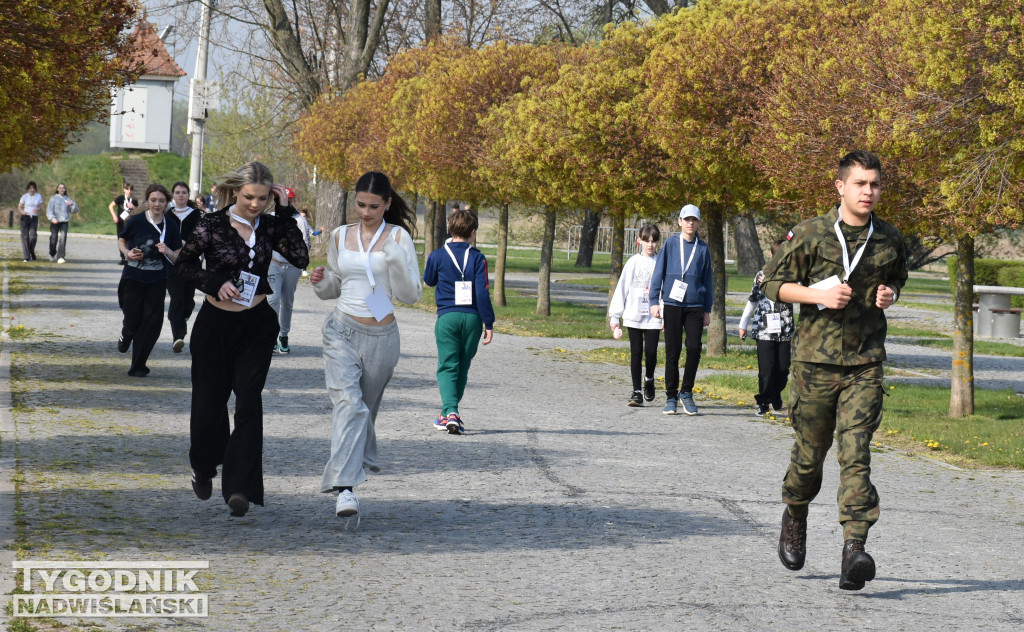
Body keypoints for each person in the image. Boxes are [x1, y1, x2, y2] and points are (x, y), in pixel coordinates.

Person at [761, 150, 907, 591]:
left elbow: (898, 278)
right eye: (861, 184)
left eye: (875, 184)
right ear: (840, 186)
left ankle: (854, 550)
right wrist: (815, 297)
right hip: (813, 365)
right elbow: (769, 284)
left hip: (864, 363)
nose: (869, 192)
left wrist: (889, 295)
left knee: (856, 453)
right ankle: (795, 512)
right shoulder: (810, 233)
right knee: (810, 456)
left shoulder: (890, 239)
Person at [175, 162, 308, 518]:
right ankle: (203, 467)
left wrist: (284, 210)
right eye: (250, 197)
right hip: (215, 325)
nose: (255, 204)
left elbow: (300, 256)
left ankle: (239, 487)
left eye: (263, 198)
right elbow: (183, 266)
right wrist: (214, 281)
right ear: (236, 191)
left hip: (257, 325)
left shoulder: (274, 224)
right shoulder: (211, 224)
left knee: (249, 402)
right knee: (208, 405)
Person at [310, 171, 421, 519]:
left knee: (364, 411)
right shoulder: (342, 236)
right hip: (341, 329)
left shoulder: (398, 237)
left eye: (374, 206)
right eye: (360, 204)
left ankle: (362, 456)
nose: (366, 212)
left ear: (388, 204)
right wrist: (322, 281)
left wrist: (395, 260)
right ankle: (345, 490)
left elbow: (411, 295)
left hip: (382, 337)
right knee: (349, 405)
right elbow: (335, 284)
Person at [422, 208, 494, 434]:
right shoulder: (478, 257)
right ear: (473, 233)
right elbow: (482, 293)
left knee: (447, 365)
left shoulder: (436, 255)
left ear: (450, 229)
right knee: (462, 366)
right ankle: (449, 412)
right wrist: (489, 323)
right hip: (472, 318)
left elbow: (429, 280)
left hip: (447, 317)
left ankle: (450, 412)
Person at [649, 204, 712, 415]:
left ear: (699, 223)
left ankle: (686, 392)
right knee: (672, 351)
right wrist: (654, 301)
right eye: (687, 219)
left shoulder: (702, 248)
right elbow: (659, 273)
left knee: (694, 348)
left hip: (695, 305)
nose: (690, 223)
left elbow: (708, 280)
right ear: (680, 221)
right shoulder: (670, 244)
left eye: (694, 220)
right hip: (673, 304)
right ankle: (670, 396)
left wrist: (708, 309)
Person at [117, 183, 182, 377]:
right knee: (133, 319)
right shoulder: (137, 220)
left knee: (152, 322)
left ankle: (138, 365)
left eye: (161, 201)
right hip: (133, 277)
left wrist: (168, 251)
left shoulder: (171, 225)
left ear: (167, 203)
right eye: (153, 200)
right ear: (147, 200)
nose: (157, 204)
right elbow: (122, 239)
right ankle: (126, 333)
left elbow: (178, 254)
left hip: (157, 279)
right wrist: (127, 252)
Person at [608, 224, 663, 407]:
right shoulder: (633, 262)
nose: (650, 245)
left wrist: (664, 314)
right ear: (638, 240)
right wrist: (615, 317)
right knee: (636, 353)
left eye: (654, 241)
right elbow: (622, 288)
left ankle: (649, 379)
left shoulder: (661, 262)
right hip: (634, 315)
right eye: (646, 241)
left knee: (651, 353)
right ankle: (636, 391)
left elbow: (665, 289)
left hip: (654, 316)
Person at [738, 238, 794, 416]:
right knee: (767, 369)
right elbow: (752, 301)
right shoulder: (761, 275)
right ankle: (763, 402)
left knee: (783, 368)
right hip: (764, 330)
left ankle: (775, 394)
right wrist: (743, 324)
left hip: (784, 330)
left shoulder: (792, 276)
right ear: (771, 256)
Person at [267, 187, 312, 354]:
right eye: (281, 199)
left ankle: (284, 335)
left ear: (293, 201)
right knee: (273, 298)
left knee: (287, 301)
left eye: (290, 199)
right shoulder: (271, 218)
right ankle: (271, 335)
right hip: (274, 263)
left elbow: (306, 243)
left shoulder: (299, 220)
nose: (286, 202)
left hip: (292, 266)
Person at [165, 182, 203, 353]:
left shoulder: (197, 215)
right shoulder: (167, 215)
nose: (181, 195)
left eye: (184, 192)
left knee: (188, 300)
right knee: (177, 297)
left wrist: (187, 245)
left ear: (189, 195)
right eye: (177, 192)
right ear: (173, 195)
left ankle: (182, 317)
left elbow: (202, 237)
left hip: (192, 263)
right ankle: (178, 335)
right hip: (171, 263)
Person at [45, 183, 79, 263]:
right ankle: (52, 253)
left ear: (65, 190)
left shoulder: (67, 199)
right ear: (57, 189)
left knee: (63, 238)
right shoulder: (53, 198)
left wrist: (72, 205)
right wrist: (52, 218)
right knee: (54, 238)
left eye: (63, 188)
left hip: (64, 221)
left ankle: (61, 256)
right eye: (60, 188)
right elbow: (49, 210)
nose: (62, 189)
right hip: (55, 221)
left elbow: (75, 210)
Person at [109, 183, 137, 265]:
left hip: (130, 223)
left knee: (130, 239)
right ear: (124, 190)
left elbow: (138, 211)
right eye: (127, 189)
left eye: (131, 189)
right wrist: (114, 216)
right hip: (120, 222)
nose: (129, 191)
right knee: (121, 238)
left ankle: (130, 256)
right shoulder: (120, 198)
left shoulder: (134, 200)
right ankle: (123, 257)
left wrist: (133, 208)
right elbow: (111, 206)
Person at [17, 181, 44, 262]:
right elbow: (19, 206)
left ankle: (31, 250)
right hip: (25, 217)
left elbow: (41, 207)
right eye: (31, 188)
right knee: (25, 237)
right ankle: (27, 256)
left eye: (33, 188)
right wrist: (22, 212)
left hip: (34, 217)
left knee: (33, 236)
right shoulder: (25, 196)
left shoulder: (38, 196)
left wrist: (38, 209)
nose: (32, 189)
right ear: (28, 188)